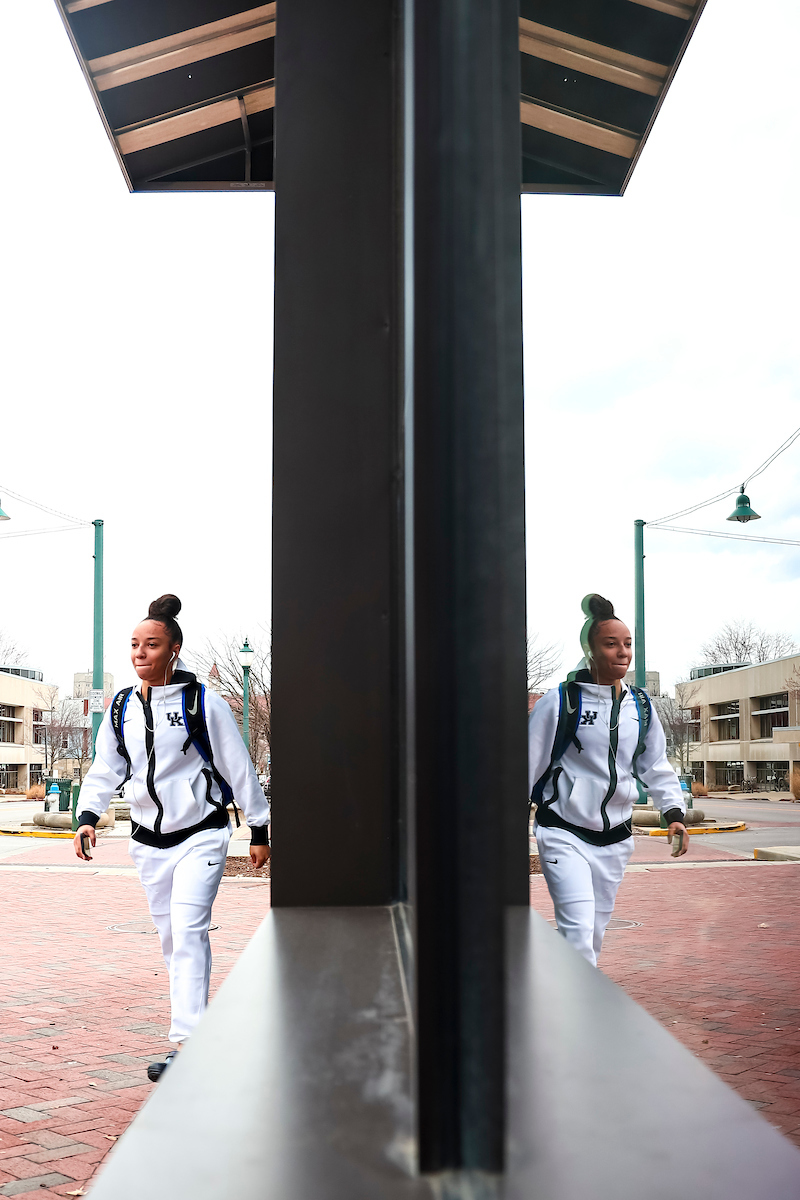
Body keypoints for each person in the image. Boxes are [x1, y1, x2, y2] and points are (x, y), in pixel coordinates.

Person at [73, 595, 270, 1080]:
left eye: (152, 645)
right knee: (170, 938)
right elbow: (107, 766)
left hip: (200, 834)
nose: (140, 653)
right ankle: (193, 1033)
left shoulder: (203, 702)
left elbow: (237, 767)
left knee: (188, 930)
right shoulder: (123, 706)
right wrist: (87, 815)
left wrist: (259, 828)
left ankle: (188, 1043)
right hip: (146, 841)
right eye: (135, 645)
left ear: (174, 649)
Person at [529, 593, 688, 966]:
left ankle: (573, 998)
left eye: (627, 644)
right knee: (578, 929)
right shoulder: (561, 701)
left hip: (616, 839)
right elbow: (529, 762)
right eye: (611, 644)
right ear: (590, 650)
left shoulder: (641, 706)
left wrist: (673, 812)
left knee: (595, 932)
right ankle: (577, 1014)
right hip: (563, 832)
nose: (622, 652)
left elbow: (655, 764)